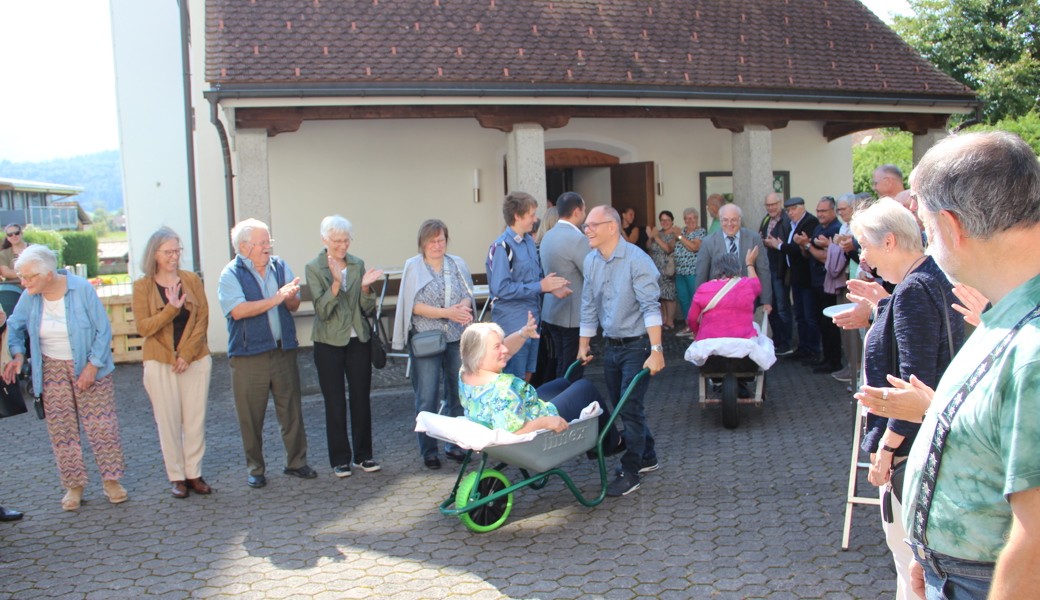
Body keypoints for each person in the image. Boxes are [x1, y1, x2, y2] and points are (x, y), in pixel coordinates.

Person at [861, 132, 1040, 600]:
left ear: (951, 225)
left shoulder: (1032, 344)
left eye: (926, 227)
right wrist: (933, 555)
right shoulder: (1008, 314)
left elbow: (1036, 543)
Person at [845, 198, 965, 600]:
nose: (863, 257)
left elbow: (914, 380)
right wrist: (882, 304)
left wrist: (887, 446)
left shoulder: (914, 290)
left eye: (866, 245)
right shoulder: (930, 278)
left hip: (909, 451)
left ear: (891, 241)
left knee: (907, 565)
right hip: (924, 440)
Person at [3, 245, 127, 511]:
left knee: (102, 427)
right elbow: (14, 326)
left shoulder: (81, 289)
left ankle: (111, 481)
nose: (23, 282)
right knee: (62, 431)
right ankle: (74, 486)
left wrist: (92, 367)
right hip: (51, 368)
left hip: (89, 364)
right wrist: (16, 354)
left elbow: (103, 331)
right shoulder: (30, 296)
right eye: (21, 277)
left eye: (28, 277)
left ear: (47, 274)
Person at [218, 218, 315, 488]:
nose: (267, 247)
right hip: (249, 356)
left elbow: (292, 306)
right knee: (251, 416)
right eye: (262, 242)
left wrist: (292, 295)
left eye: (268, 241)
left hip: (283, 350)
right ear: (244, 247)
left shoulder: (279, 266)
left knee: (291, 410)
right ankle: (255, 468)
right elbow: (238, 311)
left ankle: (296, 462)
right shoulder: (230, 274)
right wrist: (277, 297)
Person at [578, 206, 665, 497]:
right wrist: (584, 345)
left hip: (637, 345)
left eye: (592, 225)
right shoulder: (591, 260)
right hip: (612, 345)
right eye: (586, 225)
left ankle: (631, 470)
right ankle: (648, 455)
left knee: (629, 407)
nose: (586, 229)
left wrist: (657, 350)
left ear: (612, 227)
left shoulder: (637, 260)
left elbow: (651, 308)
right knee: (621, 405)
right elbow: (588, 304)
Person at [458, 318, 621, 456]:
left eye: (502, 343)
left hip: (521, 409)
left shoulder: (466, 372)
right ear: (479, 355)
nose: (505, 349)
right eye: (497, 347)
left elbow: (503, 351)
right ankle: (611, 443)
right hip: (534, 423)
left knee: (563, 383)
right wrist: (546, 422)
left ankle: (599, 436)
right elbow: (513, 433)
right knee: (585, 388)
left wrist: (523, 333)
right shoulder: (503, 390)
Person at [132, 227, 213, 499]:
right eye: (168, 252)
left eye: (177, 250)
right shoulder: (142, 286)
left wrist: (186, 355)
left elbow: (202, 320)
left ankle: (194, 474)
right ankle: (176, 477)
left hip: (195, 360)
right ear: (154, 254)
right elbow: (144, 328)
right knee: (167, 421)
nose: (174, 256)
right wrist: (171, 309)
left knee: (194, 421)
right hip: (159, 362)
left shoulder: (191, 280)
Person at [305, 215, 384, 478]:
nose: (342, 245)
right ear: (324, 240)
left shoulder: (357, 263)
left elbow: (366, 309)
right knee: (335, 402)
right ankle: (340, 459)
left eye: (346, 240)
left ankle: (364, 455)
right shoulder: (315, 267)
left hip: (357, 340)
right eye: (337, 241)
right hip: (328, 342)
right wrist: (337, 283)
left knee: (361, 399)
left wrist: (364, 289)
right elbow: (322, 310)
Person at [392, 219, 474, 470]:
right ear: (422, 243)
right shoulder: (413, 266)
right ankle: (428, 450)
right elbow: (412, 306)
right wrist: (447, 312)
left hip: (455, 339)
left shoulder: (457, 263)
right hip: (426, 340)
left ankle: (455, 445)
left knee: (457, 395)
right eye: (432, 240)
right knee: (427, 397)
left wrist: (463, 308)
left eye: (441, 240)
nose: (437, 245)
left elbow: (468, 295)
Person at [487, 191, 569, 381]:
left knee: (527, 376)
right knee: (513, 378)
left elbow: (534, 279)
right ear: (517, 216)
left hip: (532, 320)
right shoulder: (502, 246)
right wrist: (541, 286)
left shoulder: (528, 242)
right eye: (531, 214)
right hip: (513, 322)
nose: (535, 219)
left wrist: (551, 286)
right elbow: (500, 289)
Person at [684, 251, 776, 372]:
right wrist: (750, 264)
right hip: (743, 341)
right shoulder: (747, 284)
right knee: (759, 333)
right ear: (738, 268)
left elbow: (692, 318)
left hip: (709, 341)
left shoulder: (704, 288)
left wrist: (696, 331)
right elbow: (757, 284)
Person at [538, 192, 591, 380]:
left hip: (552, 310)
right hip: (572, 313)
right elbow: (591, 273)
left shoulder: (548, 236)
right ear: (577, 211)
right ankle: (567, 406)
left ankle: (560, 403)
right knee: (571, 368)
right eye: (584, 209)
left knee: (561, 363)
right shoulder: (578, 239)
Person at [764, 197, 820, 362]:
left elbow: (798, 249)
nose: (791, 213)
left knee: (810, 316)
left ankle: (814, 350)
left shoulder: (809, 222)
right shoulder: (793, 224)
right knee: (800, 315)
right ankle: (803, 348)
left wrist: (779, 246)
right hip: (795, 276)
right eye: (788, 211)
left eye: (793, 209)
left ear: (802, 207)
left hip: (807, 277)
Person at [694, 204, 771, 308]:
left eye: (734, 219)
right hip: (718, 300)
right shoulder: (708, 242)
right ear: (720, 220)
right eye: (725, 220)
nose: (729, 224)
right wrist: (699, 302)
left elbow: (763, 270)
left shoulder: (754, 239)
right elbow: (701, 274)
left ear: (740, 220)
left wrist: (766, 301)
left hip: (746, 300)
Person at [803, 197, 844, 374]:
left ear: (833, 211)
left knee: (830, 324)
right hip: (816, 280)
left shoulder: (836, 229)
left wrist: (807, 245)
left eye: (824, 211)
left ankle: (834, 361)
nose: (819, 214)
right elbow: (810, 252)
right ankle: (826, 358)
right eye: (818, 211)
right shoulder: (819, 228)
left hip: (830, 282)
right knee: (821, 322)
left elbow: (825, 257)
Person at [759, 193, 793, 354]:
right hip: (767, 269)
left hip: (780, 270)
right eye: (768, 205)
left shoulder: (786, 220)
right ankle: (777, 341)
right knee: (770, 305)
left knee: (782, 307)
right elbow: (762, 238)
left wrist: (771, 243)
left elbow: (785, 243)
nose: (771, 207)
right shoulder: (766, 219)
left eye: (773, 204)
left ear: (780, 203)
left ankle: (786, 342)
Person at [674, 208, 706, 337]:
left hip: (692, 271)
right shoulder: (681, 231)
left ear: (697, 218)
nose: (690, 220)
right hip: (680, 271)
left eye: (692, 217)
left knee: (695, 300)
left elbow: (694, 247)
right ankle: (689, 326)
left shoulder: (700, 231)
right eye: (687, 218)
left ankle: (698, 328)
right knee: (683, 300)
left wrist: (680, 236)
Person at [646, 211, 680, 330]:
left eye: (667, 220)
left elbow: (668, 249)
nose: (664, 222)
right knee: (660, 296)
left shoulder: (674, 234)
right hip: (656, 268)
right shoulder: (657, 233)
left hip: (667, 269)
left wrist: (656, 237)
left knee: (668, 296)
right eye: (662, 220)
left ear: (672, 221)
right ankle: (663, 319)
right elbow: (649, 247)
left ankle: (670, 321)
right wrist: (650, 237)